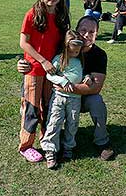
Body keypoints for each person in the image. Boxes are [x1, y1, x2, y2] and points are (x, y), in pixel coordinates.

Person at [17, 15, 114, 161]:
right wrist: (23, 63)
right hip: (57, 97)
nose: (87, 35)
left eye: (92, 32)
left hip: (80, 98)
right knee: (45, 103)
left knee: (97, 101)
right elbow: (42, 58)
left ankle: (102, 142)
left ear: (97, 34)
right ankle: (49, 140)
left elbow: (95, 88)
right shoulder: (63, 48)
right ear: (76, 31)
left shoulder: (99, 55)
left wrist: (67, 87)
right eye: (83, 30)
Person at [18, 0, 70, 163]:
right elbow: (24, 43)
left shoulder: (61, 14)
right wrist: (42, 61)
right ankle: (26, 146)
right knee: (31, 108)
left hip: (53, 71)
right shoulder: (32, 13)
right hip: (34, 70)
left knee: (49, 107)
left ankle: (47, 140)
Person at [41, 29, 87, 169]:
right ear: (66, 47)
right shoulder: (59, 59)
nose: (75, 54)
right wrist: (62, 81)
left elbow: (80, 74)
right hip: (59, 97)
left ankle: (68, 146)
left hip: (75, 99)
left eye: (77, 52)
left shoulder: (80, 61)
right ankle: (50, 150)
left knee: (72, 123)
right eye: (72, 51)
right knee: (54, 122)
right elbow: (49, 75)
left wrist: (87, 78)